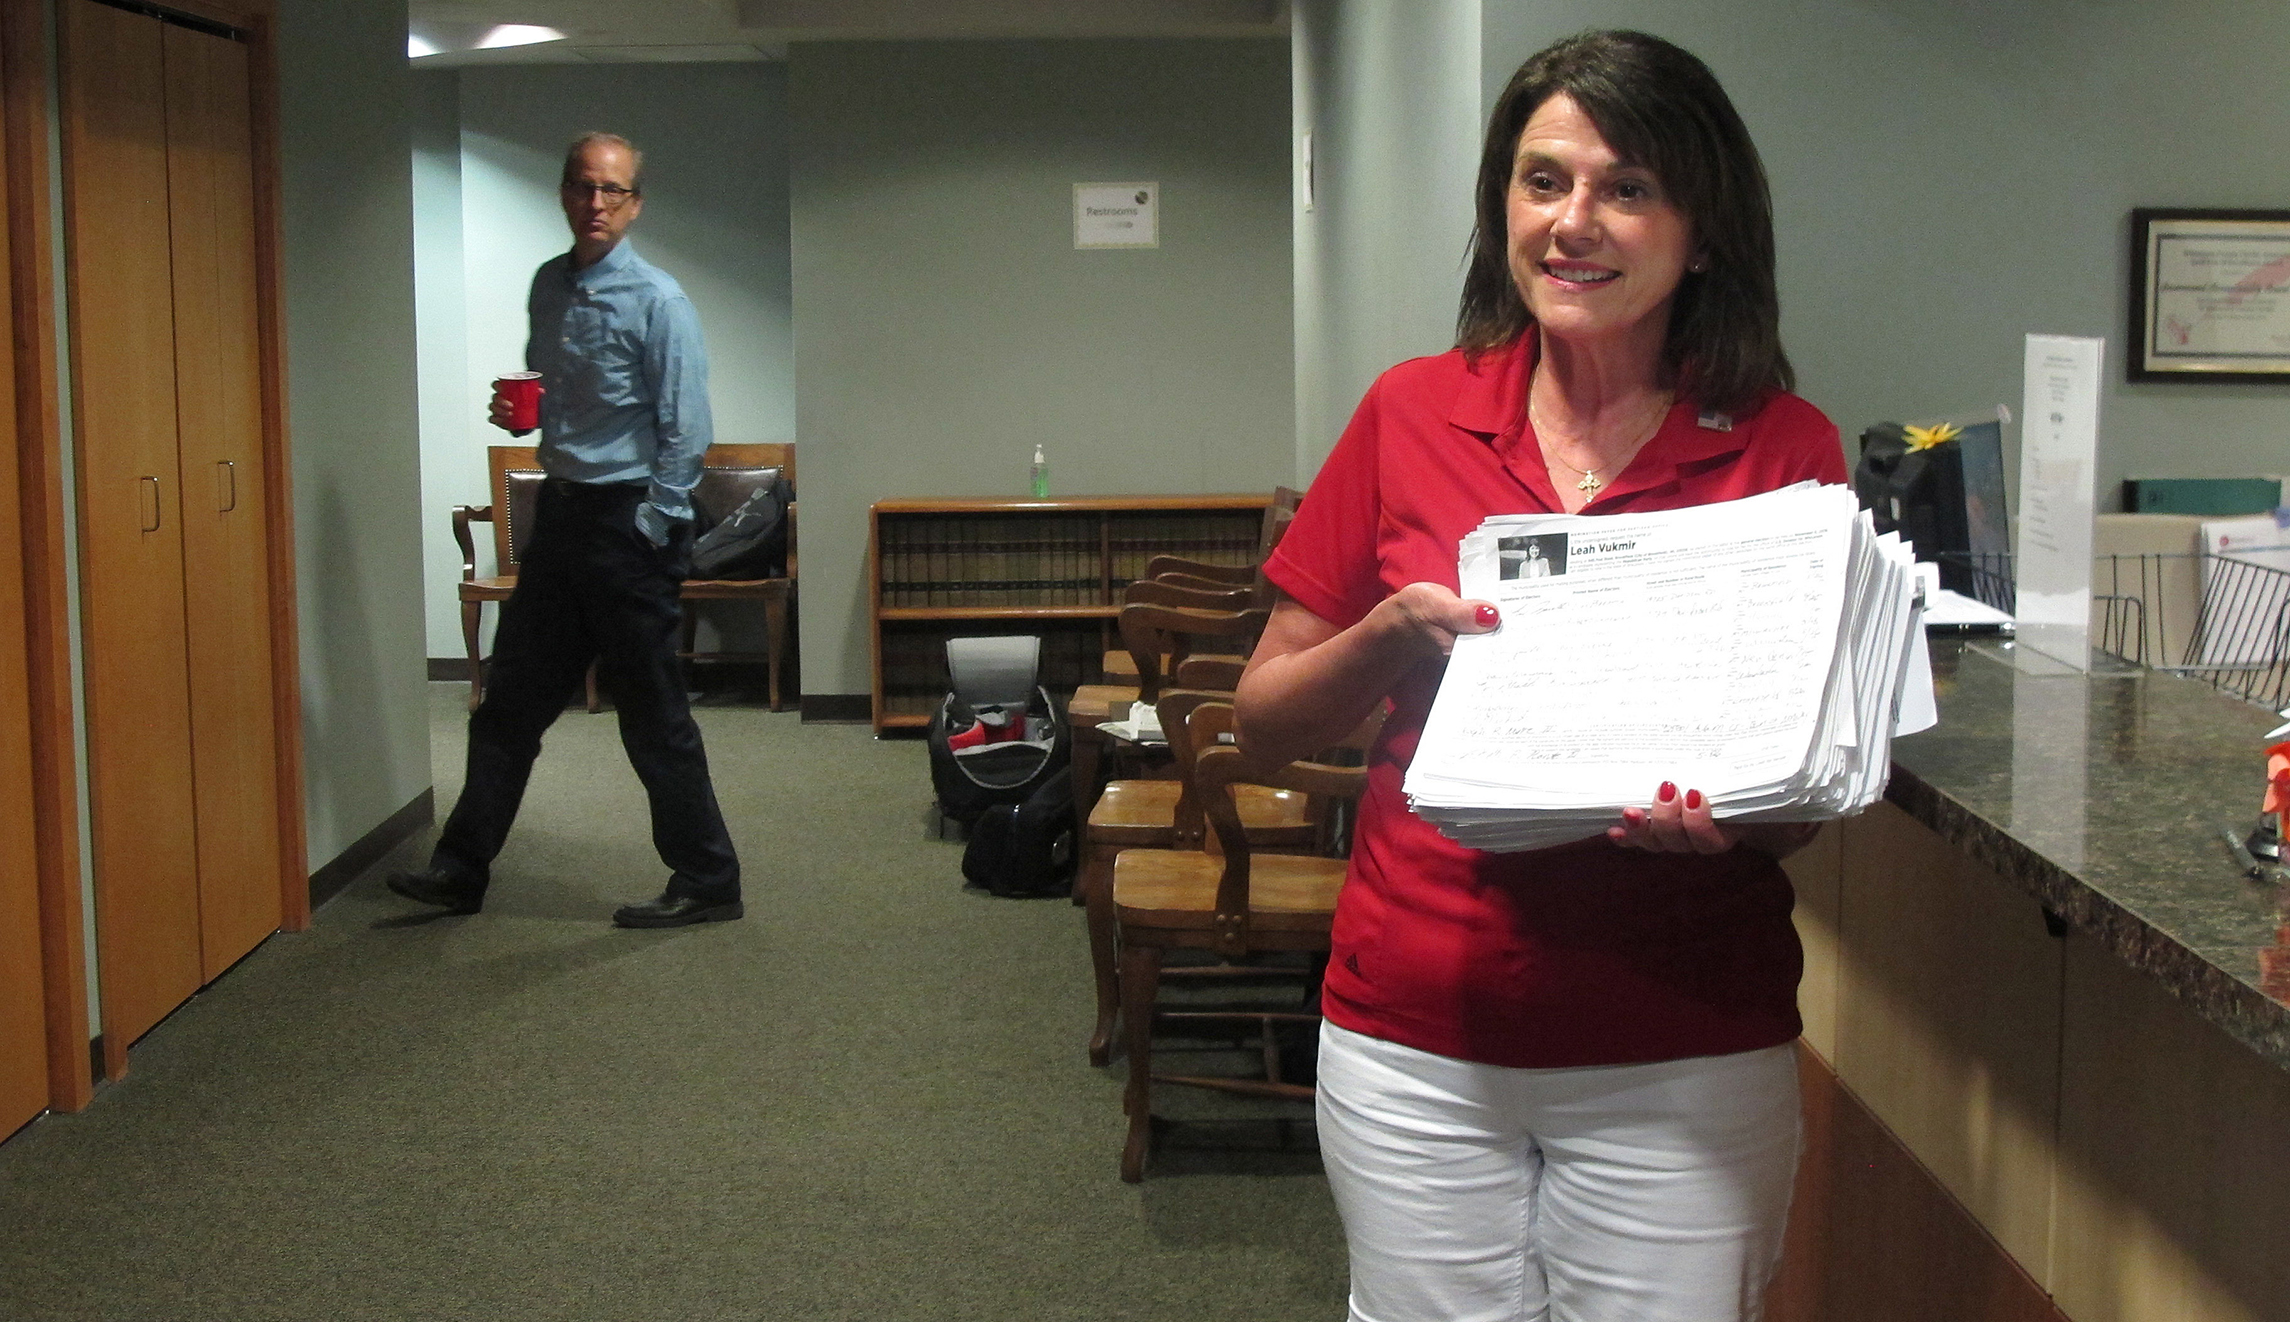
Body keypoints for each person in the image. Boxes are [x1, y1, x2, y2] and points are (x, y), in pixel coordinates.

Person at [1234, 31, 1846, 1322]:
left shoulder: (1782, 450)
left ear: (1703, 231)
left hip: (1680, 1037)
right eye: (1542, 180)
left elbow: (1800, 797)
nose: (1573, 222)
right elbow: (1263, 724)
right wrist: (1391, 633)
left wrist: (1734, 819)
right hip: (1414, 1032)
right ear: (1501, 206)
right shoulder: (1410, 413)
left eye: (1627, 188)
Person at [390, 132, 743, 929]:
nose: (596, 203)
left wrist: (651, 524)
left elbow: (687, 429)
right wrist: (523, 414)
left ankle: (709, 879)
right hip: (560, 515)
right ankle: (459, 869)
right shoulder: (548, 285)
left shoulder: (660, 301)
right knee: (508, 705)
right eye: (584, 187)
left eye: (613, 190)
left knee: (651, 715)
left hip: (629, 523)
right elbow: (558, 392)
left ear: (635, 204)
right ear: (564, 193)